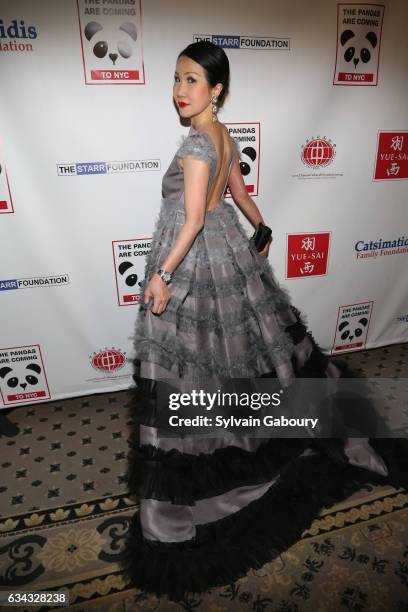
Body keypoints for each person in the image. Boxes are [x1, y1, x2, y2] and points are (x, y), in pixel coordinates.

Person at [120, 41, 408, 603]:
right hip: (223, 248)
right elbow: (239, 192)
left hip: (195, 256)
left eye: (192, 81)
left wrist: (163, 275)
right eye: (176, 79)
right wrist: (261, 223)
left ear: (216, 90)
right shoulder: (224, 137)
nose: (180, 91)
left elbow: (197, 216)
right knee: (240, 357)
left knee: (197, 366)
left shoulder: (201, 144)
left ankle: (214, 465)